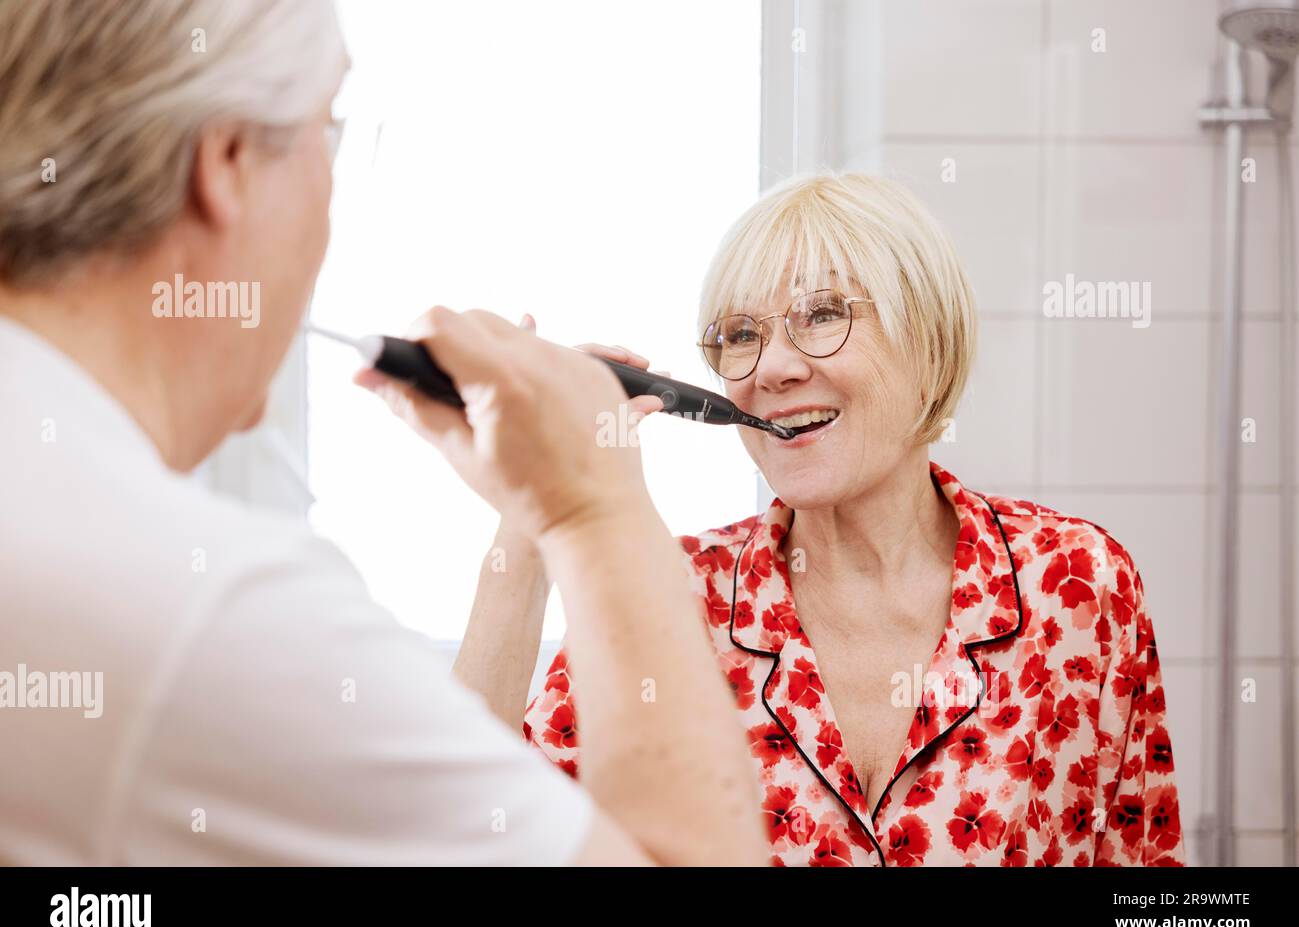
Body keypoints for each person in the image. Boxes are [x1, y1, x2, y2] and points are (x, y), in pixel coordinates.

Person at [0, 0, 766, 867]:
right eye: (326, 134)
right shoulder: (207, 612)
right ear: (227, 159)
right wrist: (595, 510)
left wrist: (541, 513)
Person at [458, 172, 1187, 867]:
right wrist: (531, 507)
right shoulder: (667, 597)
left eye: (823, 315)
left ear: (928, 346)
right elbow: (472, 833)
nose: (770, 367)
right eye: (740, 333)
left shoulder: (1077, 585)